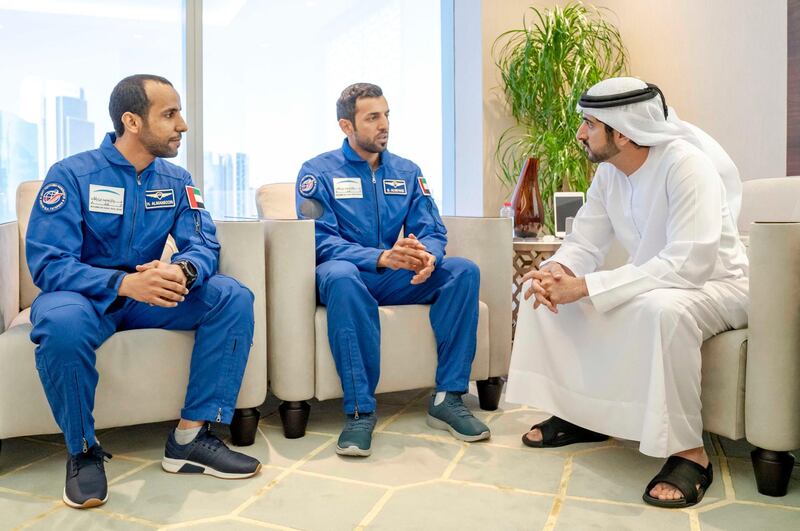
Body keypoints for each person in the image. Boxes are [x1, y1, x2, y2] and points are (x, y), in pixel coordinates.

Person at [506, 77, 748, 509]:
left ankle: (690, 453)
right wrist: (556, 272)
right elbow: (585, 241)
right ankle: (584, 414)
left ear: (623, 131)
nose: (580, 134)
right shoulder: (609, 173)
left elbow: (689, 262)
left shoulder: (687, 165)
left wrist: (585, 287)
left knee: (661, 311)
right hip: (655, 278)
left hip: (718, 284)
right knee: (540, 292)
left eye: (589, 124)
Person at [26, 74, 261, 510]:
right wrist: (121, 282)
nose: (183, 125)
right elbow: (49, 263)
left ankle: (190, 439)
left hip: (151, 298)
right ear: (131, 121)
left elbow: (203, 242)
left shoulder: (176, 179)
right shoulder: (71, 175)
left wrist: (184, 270)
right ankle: (82, 451)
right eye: (170, 114)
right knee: (59, 323)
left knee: (233, 296)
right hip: (85, 299)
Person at [295, 82, 489, 457]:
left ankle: (448, 398)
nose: (384, 124)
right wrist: (380, 257)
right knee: (340, 276)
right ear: (346, 126)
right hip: (347, 275)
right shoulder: (317, 173)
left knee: (463, 271)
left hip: (395, 275)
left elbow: (431, 228)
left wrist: (427, 256)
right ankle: (360, 411)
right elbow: (318, 240)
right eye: (372, 117)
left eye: (386, 115)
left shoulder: (407, 171)